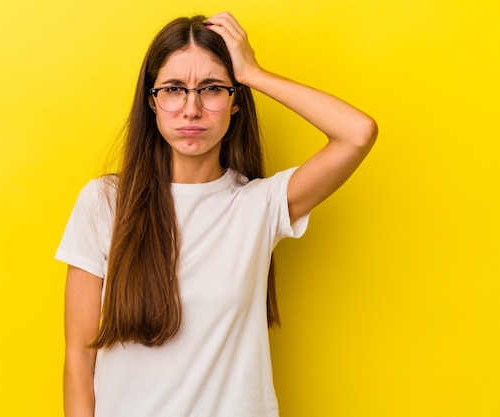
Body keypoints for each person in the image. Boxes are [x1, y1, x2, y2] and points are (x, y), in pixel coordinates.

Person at [56, 11, 377, 417]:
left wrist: (253, 73)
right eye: (174, 89)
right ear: (152, 101)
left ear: (235, 101)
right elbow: (79, 359)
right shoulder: (104, 203)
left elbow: (357, 132)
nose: (191, 109)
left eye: (211, 89)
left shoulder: (259, 205)